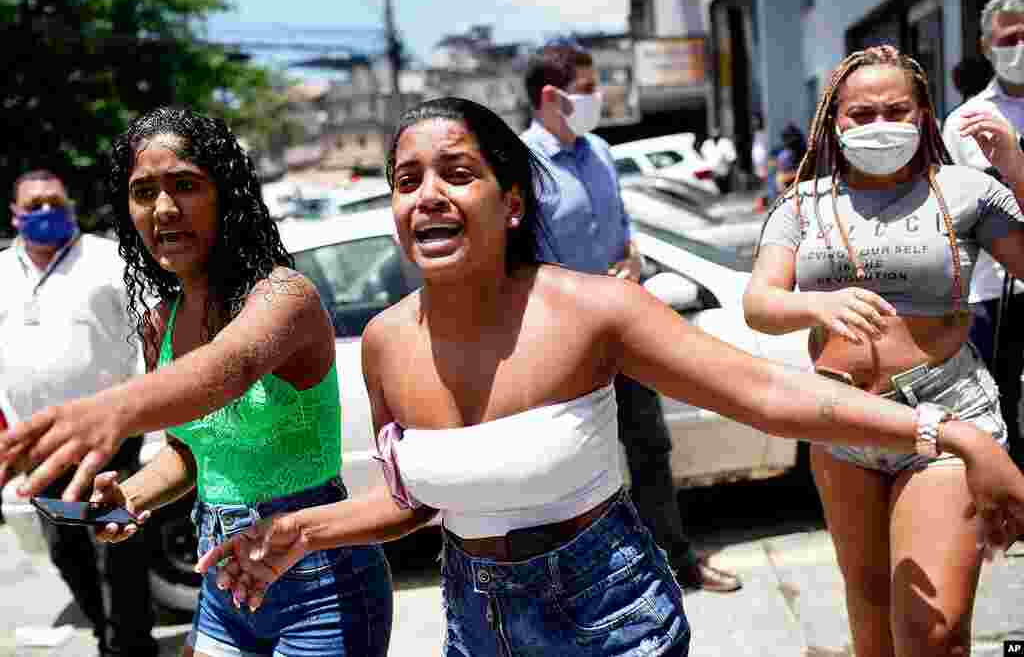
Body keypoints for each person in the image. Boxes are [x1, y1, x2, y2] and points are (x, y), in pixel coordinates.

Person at [88, 96, 1024, 657]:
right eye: (406, 181)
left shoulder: (589, 308)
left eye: (457, 172)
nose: (428, 196)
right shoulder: (383, 341)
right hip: (474, 620)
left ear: (512, 197)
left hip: (607, 613)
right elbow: (419, 499)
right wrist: (302, 530)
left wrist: (951, 434)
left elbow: (770, 393)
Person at [3, 109, 394, 657]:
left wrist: (109, 410)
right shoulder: (160, 321)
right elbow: (191, 452)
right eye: (143, 192)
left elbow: (226, 370)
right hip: (222, 582)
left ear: (226, 194)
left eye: (185, 185)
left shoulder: (283, 296)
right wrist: (131, 496)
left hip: (320, 586)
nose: (164, 209)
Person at [744, 45, 1024, 656]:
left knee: (933, 632)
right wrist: (814, 305)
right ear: (833, 120)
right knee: (869, 610)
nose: (879, 125)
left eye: (896, 110)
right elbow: (759, 304)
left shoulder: (967, 190)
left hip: (947, 415)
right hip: (841, 421)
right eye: (860, 114)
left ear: (924, 115)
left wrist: (1017, 166)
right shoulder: (803, 202)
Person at [520, 41, 741, 592]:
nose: (598, 98)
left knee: (651, 449)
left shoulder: (597, 150)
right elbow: (519, 264)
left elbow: (618, 224)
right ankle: (589, 583)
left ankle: (676, 562)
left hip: (622, 334)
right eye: (589, 88)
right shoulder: (521, 165)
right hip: (561, 345)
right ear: (553, 96)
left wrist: (634, 254)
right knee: (572, 465)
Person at [0, 169, 158, 657]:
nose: (46, 212)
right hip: (40, 447)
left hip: (110, 441)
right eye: (35, 205)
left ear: (70, 206)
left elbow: (151, 336)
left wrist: (150, 421)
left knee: (118, 553)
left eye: (55, 202)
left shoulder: (108, 260)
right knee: (66, 554)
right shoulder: (2, 271)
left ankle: (130, 648)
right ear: (15, 214)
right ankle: (106, 636)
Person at [943, 0, 1024, 458]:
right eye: (1008, 38)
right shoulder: (968, 121)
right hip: (995, 292)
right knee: (1001, 406)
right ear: (987, 46)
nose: (1019, 47)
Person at [700, 127, 738, 194]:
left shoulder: (726, 142)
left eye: (716, 132)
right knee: (713, 193)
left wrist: (726, 164)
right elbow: (702, 158)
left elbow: (732, 158)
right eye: (713, 132)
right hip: (711, 173)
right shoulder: (706, 144)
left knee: (725, 193)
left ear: (720, 132)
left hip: (724, 174)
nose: (715, 134)